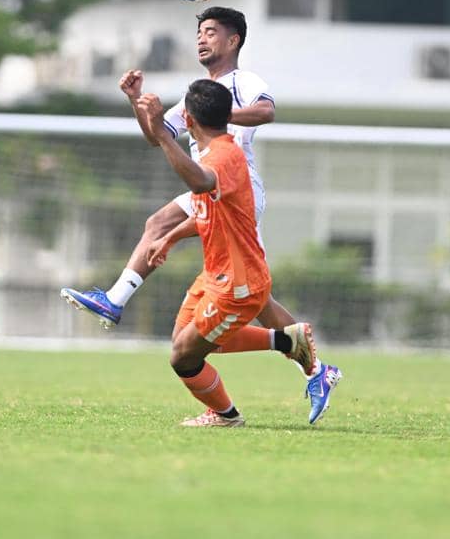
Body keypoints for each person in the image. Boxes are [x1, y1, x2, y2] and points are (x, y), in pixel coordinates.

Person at [59, 6, 340, 418]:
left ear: (233, 41)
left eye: (211, 32)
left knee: (244, 287)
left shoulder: (240, 82)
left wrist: (216, 114)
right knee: (254, 295)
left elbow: (266, 111)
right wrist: (138, 102)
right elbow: (159, 137)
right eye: (199, 33)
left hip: (231, 182)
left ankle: (117, 300)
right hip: (211, 184)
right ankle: (313, 366)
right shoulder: (199, 94)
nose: (201, 39)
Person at [134, 78, 341, 426]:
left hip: (238, 286)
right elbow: (205, 211)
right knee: (184, 343)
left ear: (187, 118)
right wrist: (169, 238)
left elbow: (199, 182)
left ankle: (226, 414)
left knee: (184, 358)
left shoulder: (225, 156)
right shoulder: (212, 154)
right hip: (217, 275)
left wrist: (164, 135)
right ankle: (287, 340)